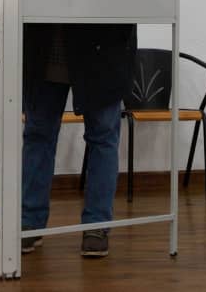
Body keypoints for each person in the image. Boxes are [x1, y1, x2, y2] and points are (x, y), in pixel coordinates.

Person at [21, 23, 136, 257]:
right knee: (37, 136)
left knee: (102, 138)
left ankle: (96, 226)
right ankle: (29, 222)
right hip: (46, 49)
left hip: (102, 52)